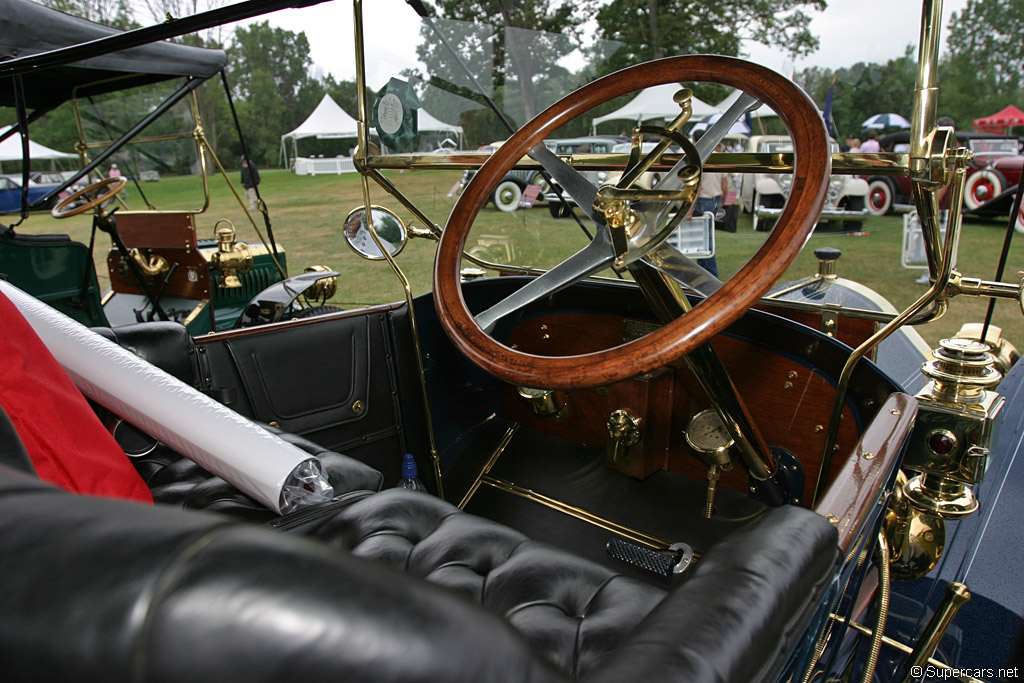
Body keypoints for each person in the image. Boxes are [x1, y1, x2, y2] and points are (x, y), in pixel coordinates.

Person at [690, 130, 728, 277]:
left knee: (704, 241)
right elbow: (725, 183)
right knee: (706, 238)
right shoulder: (717, 156)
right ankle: (704, 272)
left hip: (703, 201)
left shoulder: (699, 157)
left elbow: (697, 186)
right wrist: (723, 201)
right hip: (716, 199)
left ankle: (711, 274)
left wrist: (691, 207)